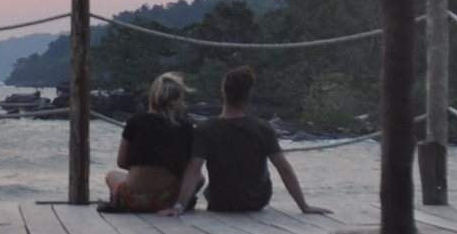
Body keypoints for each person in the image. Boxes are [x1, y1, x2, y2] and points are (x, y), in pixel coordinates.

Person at [175, 65, 329, 215]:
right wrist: (304, 206)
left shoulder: (205, 128)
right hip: (256, 202)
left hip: (221, 203)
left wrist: (179, 206)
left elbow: (195, 169)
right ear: (248, 96)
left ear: (224, 92)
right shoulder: (263, 127)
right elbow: (284, 169)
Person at [104, 73, 195, 213]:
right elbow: (189, 170)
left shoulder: (136, 121)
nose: (184, 103)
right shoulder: (187, 128)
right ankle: (179, 202)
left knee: (112, 175)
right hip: (166, 199)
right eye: (182, 99)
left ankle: (118, 198)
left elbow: (121, 162)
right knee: (198, 178)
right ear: (173, 100)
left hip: (133, 198)